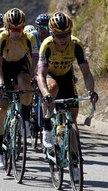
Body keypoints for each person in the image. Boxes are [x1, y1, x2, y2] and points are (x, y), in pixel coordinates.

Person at [36, 13, 99, 175]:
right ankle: (47, 127)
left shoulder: (76, 45)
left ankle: (75, 161)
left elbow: (86, 73)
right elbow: (41, 75)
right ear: (52, 35)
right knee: (52, 88)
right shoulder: (47, 45)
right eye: (59, 36)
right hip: (49, 77)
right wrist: (45, 94)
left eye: (66, 35)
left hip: (66, 78)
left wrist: (91, 91)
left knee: (72, 119)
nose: (63, 39)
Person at [0, 8, 38, 169]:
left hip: (19, 65)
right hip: (3, 67)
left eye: (20, 29)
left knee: (27, 87)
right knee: (2, 108)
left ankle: (24, 118)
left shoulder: (30, 38)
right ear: (6, 27)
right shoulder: (1, 37)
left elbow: (34, 60)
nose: (17, 33)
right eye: (13, 29)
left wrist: (33, 78)